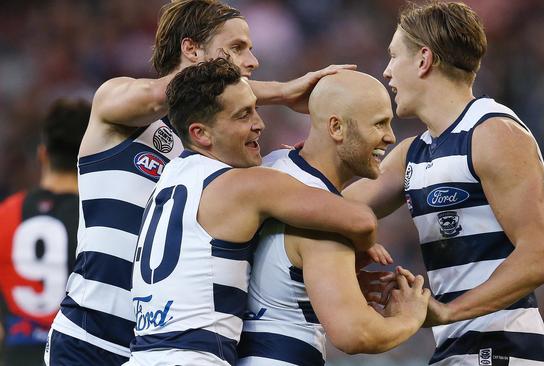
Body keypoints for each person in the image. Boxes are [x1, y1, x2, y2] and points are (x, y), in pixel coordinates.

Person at [45, 1, 356, 365]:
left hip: (158, 348)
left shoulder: (213, 150)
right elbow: (159, 95)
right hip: (87, 337)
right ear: (191, 49)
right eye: (237, 47)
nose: (253, 61)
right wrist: (281, 91)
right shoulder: (118, 103)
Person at [344, 2, 544, 365]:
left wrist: (448, 311)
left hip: (500, 346)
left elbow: (540, 256)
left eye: (394, 56)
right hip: (455, 347)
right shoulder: (414, 152)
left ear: (424, 59)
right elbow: (337, 209)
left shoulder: (492, 133)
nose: (386, 72)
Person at [125, 58, 379, 366]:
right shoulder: (244, 185)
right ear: (201, 134)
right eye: (244, 114)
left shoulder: (168, 177)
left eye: (255, 108)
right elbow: (361, 220)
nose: (260, 123)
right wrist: (363, 248)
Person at [236, 70, 431, 366]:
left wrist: (331, 286)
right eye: (379, 123)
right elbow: (355, 334)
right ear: (337, 127)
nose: (390, 136)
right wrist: (409, 317)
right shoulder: (328, 216)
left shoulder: (271, 166)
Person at [0, 99, 89, 366]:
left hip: (15, 356)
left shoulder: (6, 213)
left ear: (42, 154)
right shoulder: (96, 220)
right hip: (75, 356)